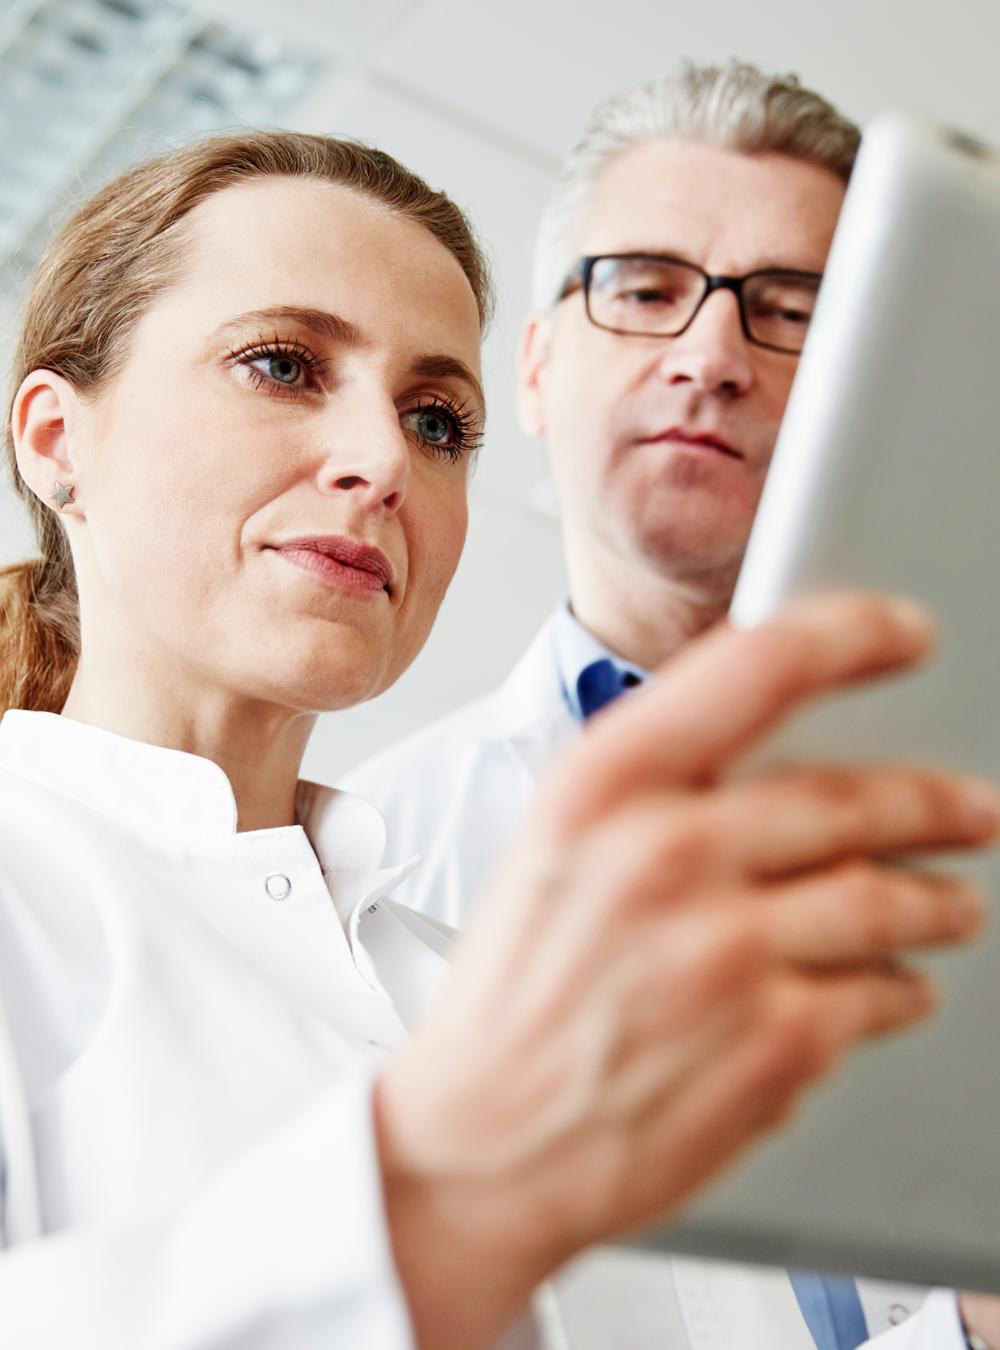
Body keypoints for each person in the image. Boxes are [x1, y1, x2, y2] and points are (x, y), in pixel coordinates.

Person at [0, 128, 996, 1350]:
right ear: (55, 439)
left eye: (434, 422)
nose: (379, 462)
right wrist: (438, 1197)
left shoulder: (468, 982)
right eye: (281, 363)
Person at [342, 62, 1000, 1350]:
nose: (710, 357)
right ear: (531, 371)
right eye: (643, 290)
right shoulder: (370, 859)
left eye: (788, 307)